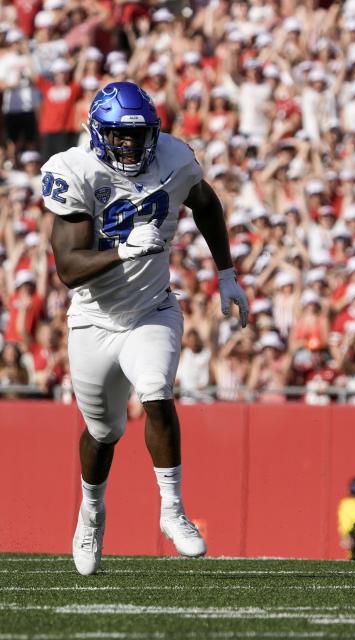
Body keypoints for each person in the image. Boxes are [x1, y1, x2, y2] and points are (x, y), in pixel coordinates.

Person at [41, 81, 249, 576]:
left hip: (152, 310)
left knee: (157, 392)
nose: (130, 145)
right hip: (93, 320)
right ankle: (91, 512)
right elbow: (68, 267)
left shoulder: (174, 158)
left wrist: (226, 274)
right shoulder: (75, 170)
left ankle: (172, 508)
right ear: (98, 133)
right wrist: (125, 252)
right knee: (103, 432)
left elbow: (206, 204)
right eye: (119, 135)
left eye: (138, 135)